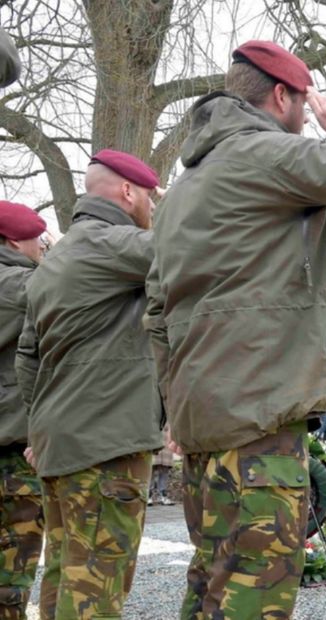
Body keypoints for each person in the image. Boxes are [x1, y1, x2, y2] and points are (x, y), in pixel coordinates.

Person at [143, 40, 326, 618]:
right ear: (283, 94)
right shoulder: (268, 153)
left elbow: (155, 311)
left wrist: (175, 405)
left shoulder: (180, 193)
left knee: (211, 581)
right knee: (256, 591)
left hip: (202, 422)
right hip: (260, 416)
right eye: (303, 98)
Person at [17, 150, 162, 618]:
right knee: (98, 588)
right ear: (126, 192)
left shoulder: (51, 263)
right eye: (150, 198)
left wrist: (42, 428)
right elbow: (189, 253)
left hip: (61, 446)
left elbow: (27, 358)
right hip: (106, 446)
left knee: (65, 575)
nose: (153, 208)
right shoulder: (113, 243)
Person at [0, 200, 46, 618]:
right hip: (14, 452)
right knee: (13, 578)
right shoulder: (25, 286)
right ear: (15, 240)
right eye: (37, 238)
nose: (42, 246)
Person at [149, 427, 177, 506]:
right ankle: (148, 495)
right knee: (151, 468)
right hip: (154, 441)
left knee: (165, 469)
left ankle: (163, 495)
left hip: (167, 443)